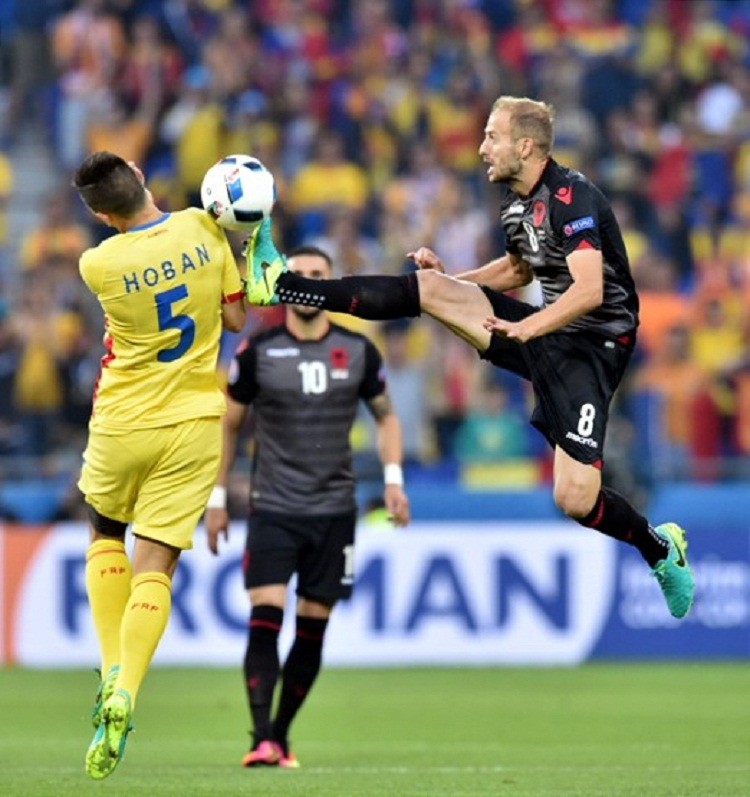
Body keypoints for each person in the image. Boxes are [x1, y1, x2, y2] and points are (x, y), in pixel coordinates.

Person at [243, 95, 695, 621]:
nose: (481, 148)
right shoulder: (514, 201)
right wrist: (453, 279)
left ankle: (660, 549)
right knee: (430, 289)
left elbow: (590, 289)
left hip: (590, 350)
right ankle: (285, 284)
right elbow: (518, 271)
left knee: (574, 498)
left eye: (492, 137)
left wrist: (528, 326)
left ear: (524, 146)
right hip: (543, 335)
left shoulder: (573, 197)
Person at [72, 150, 246, 780]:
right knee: (158, 562)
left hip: (121, 420)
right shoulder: (204, 226)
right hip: (196, 421)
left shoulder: (98, 263)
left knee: (103, 532)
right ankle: (128, 692)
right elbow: (234, 314)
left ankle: (111, 666)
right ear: (142, 177)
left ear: (97, 212)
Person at [204, 244, 410, 769]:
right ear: (284, 283)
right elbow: (227, 425)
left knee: (312, 627)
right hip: (273, 506)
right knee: (265, 616)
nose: (309, 282)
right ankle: (260, 737)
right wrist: (217, 497)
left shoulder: (358, 350)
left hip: (335, 510)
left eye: (319, 275)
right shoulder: (258, 351)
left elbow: (386, 418)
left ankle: (281, 734)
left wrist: (393, 480)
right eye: (299, 275)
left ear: (330, 282)